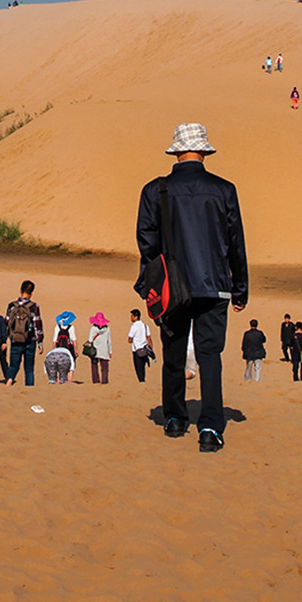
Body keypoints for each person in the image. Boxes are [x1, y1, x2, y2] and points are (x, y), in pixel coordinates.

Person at [135, 122, 248, 453]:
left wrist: (148, 286)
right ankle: (210, 428)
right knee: (210, 355)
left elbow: (146, 241)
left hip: (171, 287)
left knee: (173, 353)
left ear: (175, 151)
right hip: (214, 286)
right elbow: (236, 241)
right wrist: (240, 287)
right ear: (204, 151)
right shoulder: (224, 189)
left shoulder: (154, 190)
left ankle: (173, 418)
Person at [5, 280, 43, 387]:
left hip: (15, 339)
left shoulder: (12, 306)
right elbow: (37, 325)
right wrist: (40, 342)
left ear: (20, 290)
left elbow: (7, 322)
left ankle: (9, 380)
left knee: (13, 366)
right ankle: (29, 389)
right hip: (30, 341)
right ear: (32, 293)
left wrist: (7, 338)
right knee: (29, 369)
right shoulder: (34, 306)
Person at [128, 308, 154, 382]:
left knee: (138, 368)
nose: (131, 318)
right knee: (143, 367)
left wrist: (132, 340)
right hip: (145, 350)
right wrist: (151, 348)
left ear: (136, 317)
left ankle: (141, 381)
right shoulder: (145, 326)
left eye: (132, 316)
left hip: (137, 350)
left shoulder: (134, 327)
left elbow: (130, 339)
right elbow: (149, 338)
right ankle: (143, 379)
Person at [88, 312, 112, 383]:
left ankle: (96, 381)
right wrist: (110, 351)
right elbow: (109, 341)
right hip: (104, 351)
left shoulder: (93, 329)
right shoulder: (107, 328)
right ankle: (104, 381)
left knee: (94, 365)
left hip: (95, 350)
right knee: (105, 368)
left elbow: (90, 340)